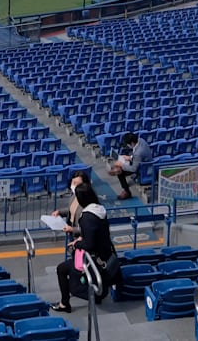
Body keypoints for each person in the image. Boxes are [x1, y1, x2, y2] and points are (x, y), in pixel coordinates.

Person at [52, 182, 115, 313]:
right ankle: (95, 294)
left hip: (93, 259)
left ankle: (65, 303)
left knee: (62, 269)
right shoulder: (100, 210)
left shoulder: (87, 217)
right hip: (104, 254)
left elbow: (89, 244)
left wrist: (77, 243)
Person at [109, 132, 152, 200]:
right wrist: (130, 157)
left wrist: (122, 165)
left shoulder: (138, 153)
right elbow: (139, 155)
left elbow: (133, 169)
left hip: (143, 169)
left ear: (132, 143)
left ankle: (127, 192)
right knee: (121, 165)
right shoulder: (141, 140)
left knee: (120, 172)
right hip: (145, 162)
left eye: (128, 144)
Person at [52, 169, 91, 236]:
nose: (73, 186)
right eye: (73, 183)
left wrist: (73, 229)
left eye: (77, 184)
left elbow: (89, 227)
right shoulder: (74, 195)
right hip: (72, 233)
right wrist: (59, 212)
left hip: (82, 237)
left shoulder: (88, 202)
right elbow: (72, 210)